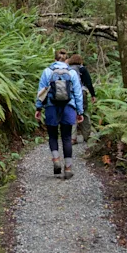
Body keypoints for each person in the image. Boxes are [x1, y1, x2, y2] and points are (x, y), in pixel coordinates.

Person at [35, 48, 84, 178]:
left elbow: (41, 91)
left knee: (52, 136)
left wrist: (38, 108)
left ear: (54, 59)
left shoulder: (47, 71)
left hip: (51, 107)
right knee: (67, 137)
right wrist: (80, 111)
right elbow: (78, 94)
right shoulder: (72, 73)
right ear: (66, 59)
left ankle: (56, 160)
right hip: (68, 107)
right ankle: (68, 168)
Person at [66, 53, 96, 143]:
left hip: (69, 94)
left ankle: (72, 138)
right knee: (84, 112)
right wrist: (93, 95)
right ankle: (87, 135)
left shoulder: (67, 69)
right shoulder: (82, 69)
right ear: (80, 61)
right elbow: (89, 83)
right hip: (81, 93)